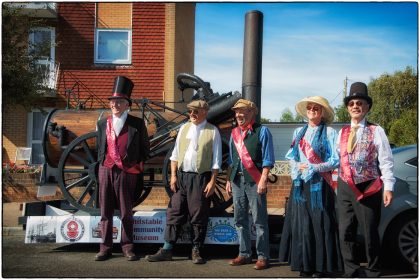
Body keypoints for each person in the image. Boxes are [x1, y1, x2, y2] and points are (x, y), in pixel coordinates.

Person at [145, 99, 222, 264]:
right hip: (181, 177)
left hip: (200, 178)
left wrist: (212, 182)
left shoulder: (213, 131)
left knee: (198, 214)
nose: (192, 114)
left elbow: (216, 161)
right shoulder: (184, 128)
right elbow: (175, 154)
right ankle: (167, 249)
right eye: (190, 111)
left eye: (195, 111)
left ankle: (196, 250)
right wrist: (173, 175)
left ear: (205, 112)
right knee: (174, 211)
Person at [278, 96, 343, 277]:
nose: (312, 110)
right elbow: (291, 155)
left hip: (320, 185)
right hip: (300, 184)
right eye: (310, 107)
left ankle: (320, 267)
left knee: (321, 224)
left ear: (322, 112)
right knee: (302, 224)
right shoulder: (298, 132)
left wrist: (314, 167)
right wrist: (296, 168)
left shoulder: (330, 132)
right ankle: (304, 265)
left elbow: (335, 160)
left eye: (316, 108)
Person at [337, 82, 395, 277]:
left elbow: (386, 160)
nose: (355, 106)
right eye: (352, 103)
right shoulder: (342, 132)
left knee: (370, 232)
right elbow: (338, 160)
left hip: (369, 186)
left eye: (360, 102)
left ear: (367, 107)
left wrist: (388, 187)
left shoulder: (376, 130)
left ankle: (373, 270)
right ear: (347, 108)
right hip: (345, 187)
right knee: (345, 231)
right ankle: (351, 270)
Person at [95, 76, 150, 261]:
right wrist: (103, 164)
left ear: (127, 104)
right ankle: (105, 247)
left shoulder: (137, 123)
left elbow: (145, 148)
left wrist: (135, 164)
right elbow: (99, 147)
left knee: (126, 212)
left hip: (127, 172)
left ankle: (127, 247)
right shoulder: (103, 123)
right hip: (106, 169)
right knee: (105, 212)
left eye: (119, 102)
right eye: (112, 101)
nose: (115, 105)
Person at [225, 99, 275, 270]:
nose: (239, 114)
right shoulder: (233, 133)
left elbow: (268, 159)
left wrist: (263, 179)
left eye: (243, 111)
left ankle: (263, 256)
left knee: (259, 220)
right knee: (239, 219)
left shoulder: (263, 131)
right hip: (237, 181)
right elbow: (232, 161)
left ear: (252, 112)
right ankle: (244, 254)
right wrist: (228, 180)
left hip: (255, 182)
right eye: (237, 111)